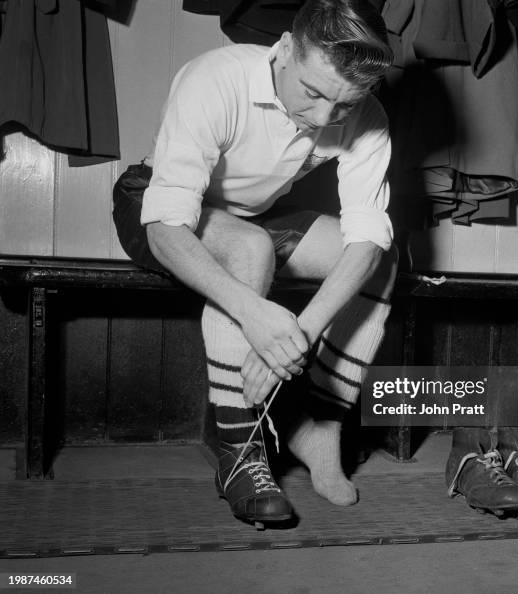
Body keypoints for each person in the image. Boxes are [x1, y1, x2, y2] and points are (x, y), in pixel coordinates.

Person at [112, 0, 397, 527]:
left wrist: (298, 335)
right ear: (286, 49)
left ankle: (320, 427)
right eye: (311, 93)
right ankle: (240, 453)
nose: (323, 118)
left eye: (343, 104)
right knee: (250, 249)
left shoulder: (364, 117)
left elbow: (365, 239)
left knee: (382, 255)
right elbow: (165, 225)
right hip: (154, 206)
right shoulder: (215, 79)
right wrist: (257, 317)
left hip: (250, 215)